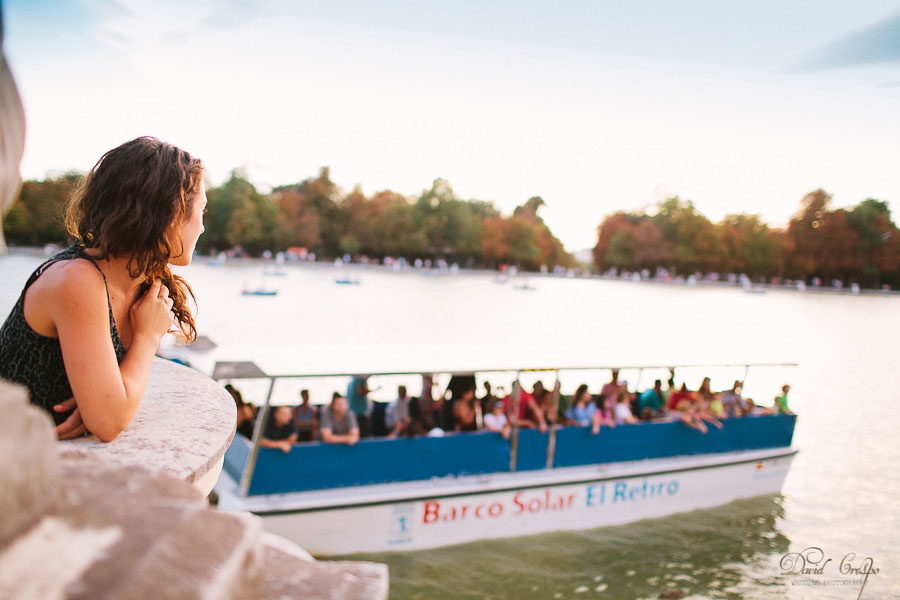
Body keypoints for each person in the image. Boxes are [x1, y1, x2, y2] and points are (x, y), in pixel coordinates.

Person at [0, 137, 205, 442]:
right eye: (201, 211)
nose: (201, 226)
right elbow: (109, 424)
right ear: (172, 215)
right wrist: (148, 337)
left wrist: (99, 398)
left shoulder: (142, 282)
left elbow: (109, 404)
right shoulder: (78, 280)